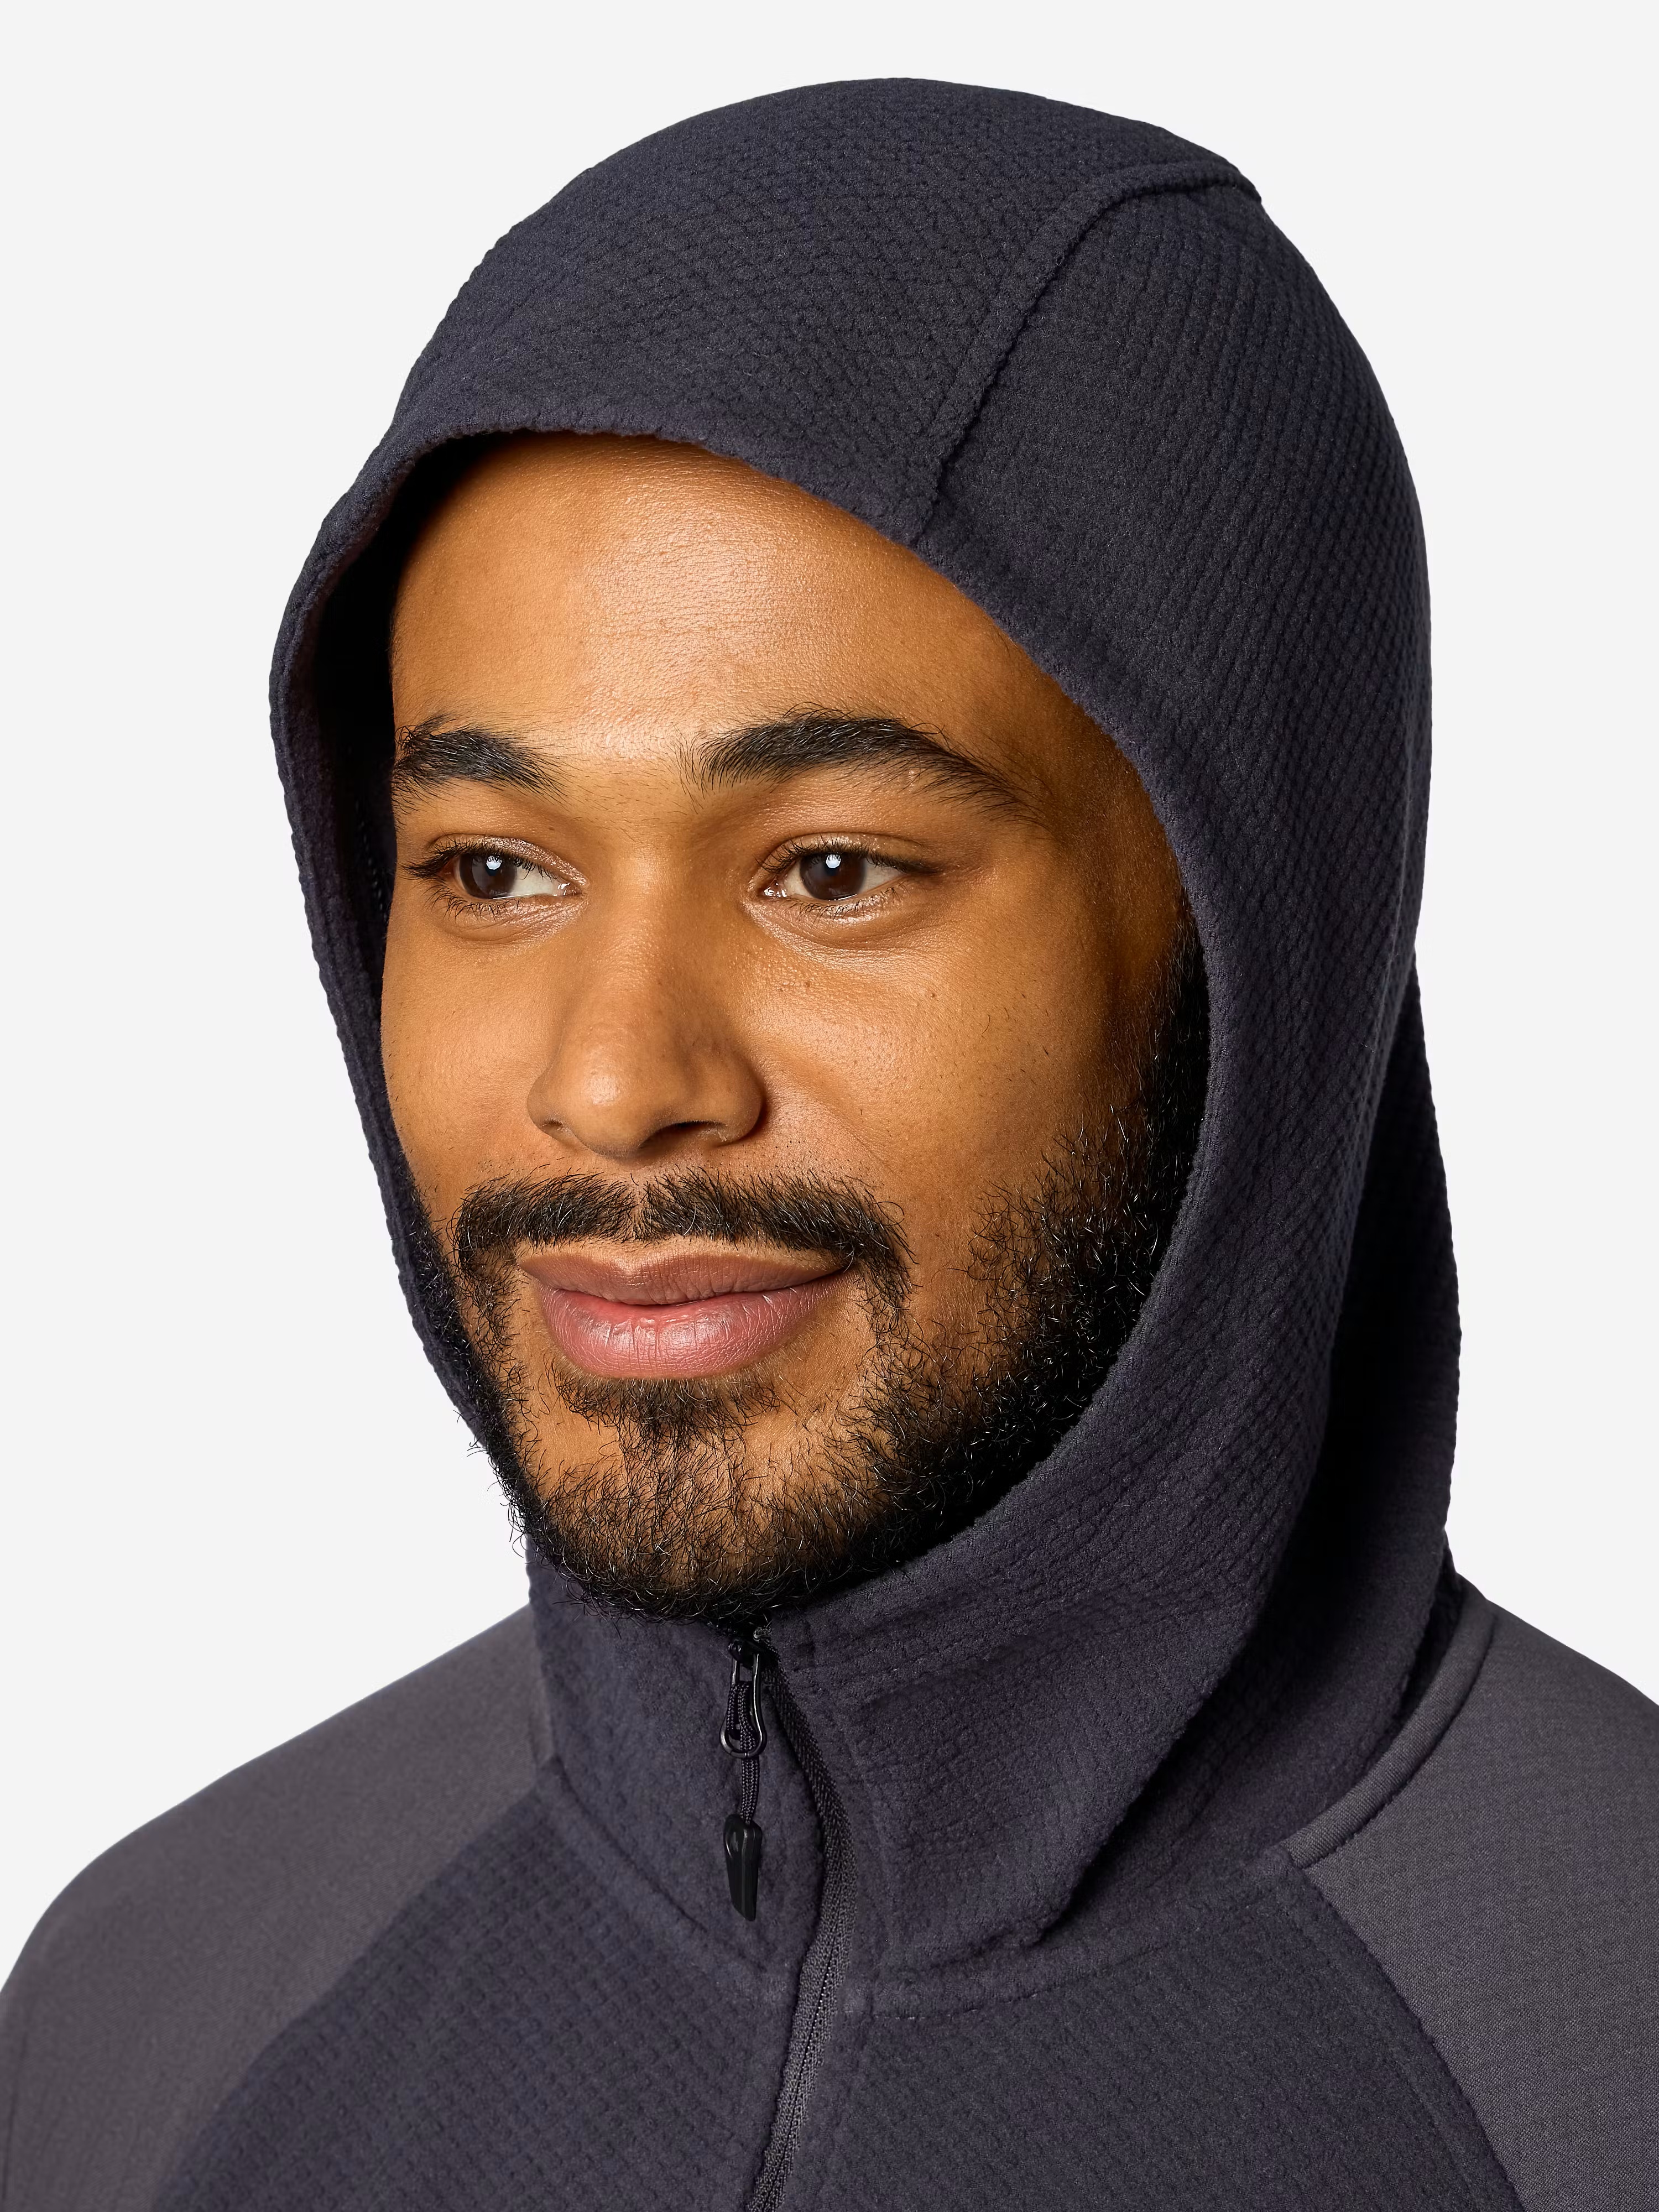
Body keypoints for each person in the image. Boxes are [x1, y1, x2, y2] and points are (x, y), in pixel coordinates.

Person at [2, 78, 1654, 2212]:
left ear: (1262, 929)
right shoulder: (151, 2017)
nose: (616, 1083)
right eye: (495, 871)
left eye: (835, 871)